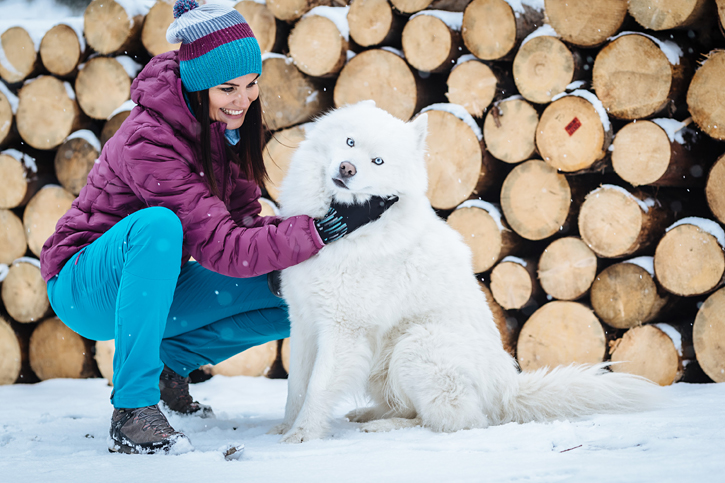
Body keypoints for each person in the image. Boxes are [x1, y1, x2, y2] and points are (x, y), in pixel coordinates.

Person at [39, 0, 396, 455]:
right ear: (196, 84)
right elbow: (226, 250)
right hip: (84, 286)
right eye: (228, 88)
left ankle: (172, 366)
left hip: (155, 287)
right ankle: (132, 409)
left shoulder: (226, 129)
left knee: (291, 286)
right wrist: (320, 229)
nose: (243, 99)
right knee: (158, 226)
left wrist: (333, 229)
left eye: (251, 85)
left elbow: (248, 228)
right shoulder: (147, 139)